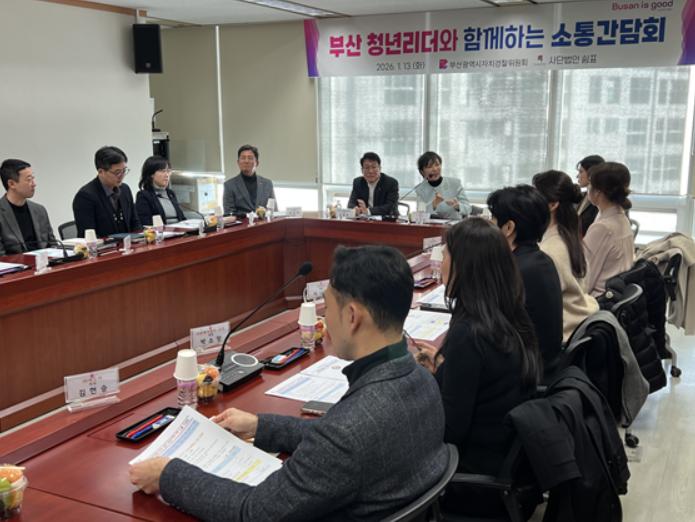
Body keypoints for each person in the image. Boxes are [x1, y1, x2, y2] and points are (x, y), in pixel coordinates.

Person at [129, 245, 449, 521]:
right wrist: (261, 426)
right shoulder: (423, 379)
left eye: (328, 307)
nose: (324, 319)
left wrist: (167, 475)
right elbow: (340, 438)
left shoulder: (349, 432)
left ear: (352, 316)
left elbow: (254, 512)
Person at [416, 218, 542, 517]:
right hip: (503, 462)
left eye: (446, 254)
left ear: (465, 266)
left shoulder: (469, 334)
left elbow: (449, 430)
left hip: (469, 479)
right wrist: (444, 369)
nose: (441, 262)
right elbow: (485, 382)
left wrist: (420, 386)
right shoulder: (509, 314)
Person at [487, 185, 563, 378]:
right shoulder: (540, 259)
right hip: (545, 366)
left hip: (524, 376)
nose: (489, 225)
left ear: (509, 228)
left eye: (493, 219)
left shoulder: (514, 271)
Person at [533, 170, 599, 341]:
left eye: (535, 198)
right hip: (575, 323)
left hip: (561, 332)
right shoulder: (568, 237)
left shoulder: (549, 251)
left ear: (552, 205)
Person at [584, 162, 635, 297]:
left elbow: (585, 280)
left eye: (590, 184)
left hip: (598, 300)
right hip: (615, 295)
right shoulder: (622, 218)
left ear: (598, 192)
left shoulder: (602, 228)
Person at [72, 146, 141, 238]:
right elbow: (88, 236)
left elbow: (135, 223)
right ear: (101, 172)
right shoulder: (85, 197)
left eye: (124, 170)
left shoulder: (125, 190)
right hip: (105, 246)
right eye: (117, 172)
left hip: (129, 245)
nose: (122, 175)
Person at [0, 159, 57, 255]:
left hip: (45, 263)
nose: (34, 184)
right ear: (11, 184)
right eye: (29, 180)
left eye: (33, 178)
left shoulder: (39, 210)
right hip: (16, 264)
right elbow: (2, 256)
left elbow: (53, 245)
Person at [414, 151, 471, 219]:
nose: (435, 169)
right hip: (430, 224)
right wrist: (433, 204)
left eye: (437, 165)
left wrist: (457, 206)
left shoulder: (455, 184)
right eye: (429, 166)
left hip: (454, 224)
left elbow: (468, 209)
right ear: (422, 172)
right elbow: (420, 214)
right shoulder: (420, 189)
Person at [223, 145, 276, 216]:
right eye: (243, 158)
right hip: (241, 223)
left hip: (264, 222)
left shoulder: (267, 184)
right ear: (238, 162)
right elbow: (228, 214)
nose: (246, 161)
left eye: (250, 158)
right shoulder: (229, 185)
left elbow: (274, 211)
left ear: (257, 163)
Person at [135, 156, 185, 226]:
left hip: (180, 231)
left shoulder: (170, 194)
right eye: (162, 171)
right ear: (151, 174)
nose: (167, 175)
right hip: (161, 232)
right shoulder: (144, 195)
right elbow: (145, 223)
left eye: (168, 171)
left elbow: (182, 218)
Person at [347, 152, 399, 216]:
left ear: (380, 168)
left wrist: (368, 211)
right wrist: (355, 208)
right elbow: (351, 203)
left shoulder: (391, 183)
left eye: (374, 167)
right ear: (362, 170)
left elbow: (390, 207)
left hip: (386, 220)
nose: (370, 171)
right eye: (367, 168)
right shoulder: (358, 182)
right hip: (364, 220)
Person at [576, 154, 604, 237]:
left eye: (581, 172)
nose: (577, 176)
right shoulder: (584, 196)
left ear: (592, 173)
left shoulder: (601, 201)